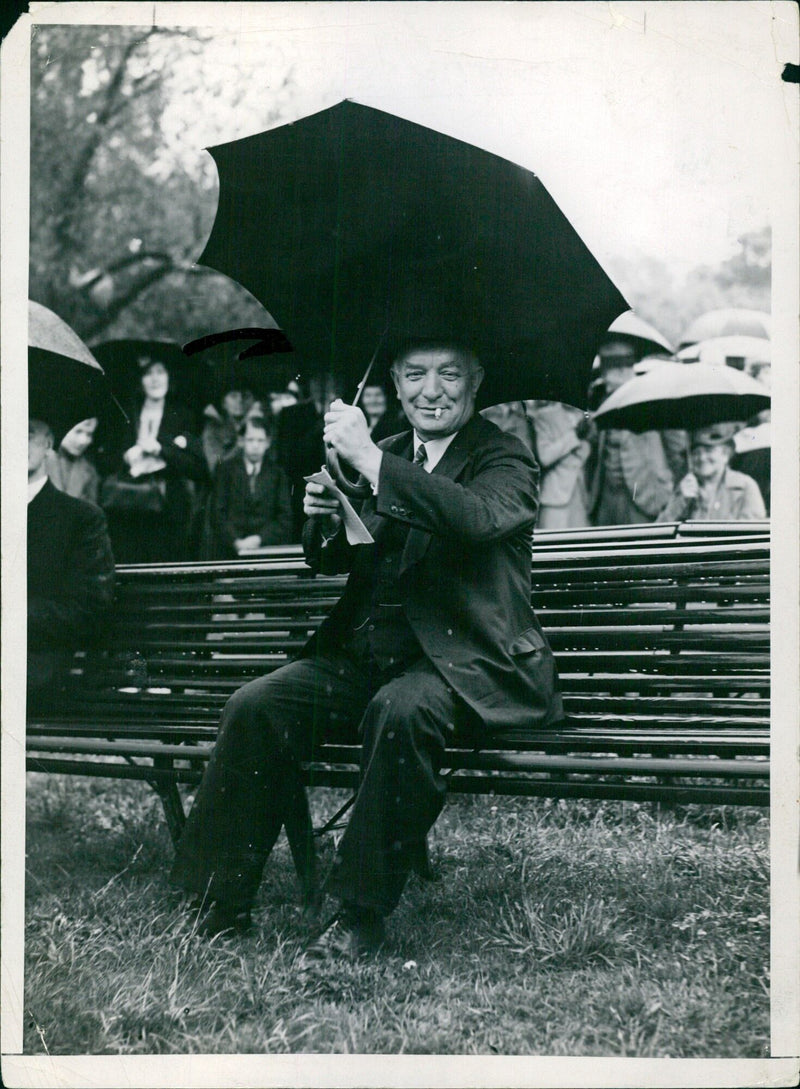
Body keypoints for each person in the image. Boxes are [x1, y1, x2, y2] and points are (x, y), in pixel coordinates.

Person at [169, 341, 563, 955]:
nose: (431, 390)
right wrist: (325, 515)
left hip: (460, 665)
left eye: (449, 374)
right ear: (396, 385)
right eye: (414, 375)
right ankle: (216, 899)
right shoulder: (389, 453)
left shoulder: (505, 457)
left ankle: (359, 913)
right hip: (365, 656)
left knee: (400, 711)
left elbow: (476, 519)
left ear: (476, 379)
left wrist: (371, 465)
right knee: (257, 703)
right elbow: (333, 554)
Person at [28, 418, 115, 707]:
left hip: (39, 665)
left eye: (28, 434)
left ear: (48, 444)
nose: (15, 442)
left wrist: (15, 615)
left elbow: (89, 609)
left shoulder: (80, 518)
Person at [99, 352, 207, 563]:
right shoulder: (125, 414)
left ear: (169, 376)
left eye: (160, 372)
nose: (155, 379)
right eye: (148, 373)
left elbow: (197, 468)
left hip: (168, 508)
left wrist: (161, 450)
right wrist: (127, 457)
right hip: (128, 507)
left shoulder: (183, 416)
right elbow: (104, 460)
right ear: (140, 381)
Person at [587, 340, 687, 525]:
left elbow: (677, 450)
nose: (605, 379)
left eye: (607, 373)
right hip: (607, 498)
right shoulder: (601, 398)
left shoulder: (653, 398)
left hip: (645, 495)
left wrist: (677, 494)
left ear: (623, 372)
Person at [207, 415, 293, 558]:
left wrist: (258, 539)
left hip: (266, 550)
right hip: (230, 551)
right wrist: (236, 541)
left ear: (268, 443)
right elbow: (217, 513)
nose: (255, 445)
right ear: (241, 441)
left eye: (260, 440)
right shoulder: (225, 470)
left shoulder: (277, 474)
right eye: (250, 440)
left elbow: (285, 519)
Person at [656, 423, 766, 522]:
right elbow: (659, 532)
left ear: (726, 454)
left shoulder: (744, 487)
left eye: (709, 451)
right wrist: (679, 502)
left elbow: (753, 535)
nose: (702, 458)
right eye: (696, 453)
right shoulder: (684, 488)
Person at [525, 401, 592, 529]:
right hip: (555, 496)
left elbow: (584, 454)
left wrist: (585, 441)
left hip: (579, 495)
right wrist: (573, 436)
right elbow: (545, 457)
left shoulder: (584, 416)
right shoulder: (545, 416)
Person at [46, 417, 100, 505]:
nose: (83, 441)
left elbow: (90, 511)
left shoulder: (89, 471)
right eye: (78, 431)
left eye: (89, 434)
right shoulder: (40, 461)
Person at [201, 388, 255, 475]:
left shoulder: (262, 428)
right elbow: (217, 464)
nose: (240, 400)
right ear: (224, 403)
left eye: (246, 396)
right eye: (233, 396)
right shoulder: (213, 429)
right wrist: (239, 447)